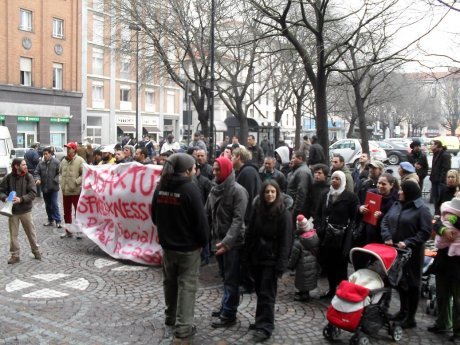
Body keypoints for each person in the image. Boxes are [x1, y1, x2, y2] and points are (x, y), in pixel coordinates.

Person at [151, 153, 209, 342]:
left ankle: (170, 317)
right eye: (193, 168)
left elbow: (154, 217)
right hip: (188, 249)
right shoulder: (190, 189)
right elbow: (201, 222)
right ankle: (183, 328)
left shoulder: (160, 187)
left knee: (170, 283)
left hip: (168, 247)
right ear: (186, 171)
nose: (195, 171)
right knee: (187, 286)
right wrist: (203, 242)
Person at [243, 180, 292, 342]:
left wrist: (281, 265)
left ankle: (265, 327)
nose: (270, 194)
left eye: (273, 192)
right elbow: (250, 233)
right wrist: (247, 255)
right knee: (259, 291)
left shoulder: (283, 213)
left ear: (277, 193)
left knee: (267, 294)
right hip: (257, 257)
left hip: (272, 260)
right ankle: (260, 321)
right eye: (267, 192)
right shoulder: (258, 209)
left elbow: (286, 241)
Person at [380, 180, 432, 329]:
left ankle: (411, 318)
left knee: (413, 285)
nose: (399, 192)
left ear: (409, 192)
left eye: (402, 190)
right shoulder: (397, 204)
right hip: (396, 252)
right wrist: (387, 236)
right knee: (401, 282)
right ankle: (403, 312)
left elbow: (425, 232)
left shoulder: (422, 209)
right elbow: (385, 221)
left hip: (412, 254)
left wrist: (408, 242)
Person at [205, 156, 248, 328]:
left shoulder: (238, 191)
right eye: (214, 169)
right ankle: (225, 306)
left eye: (218, 170)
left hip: (233, 244)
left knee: (231, 279)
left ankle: (229, 314)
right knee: (225, 277)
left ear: (226, 170)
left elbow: (238, 221)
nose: (214, 172)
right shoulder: (214, 188)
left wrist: (226, 243)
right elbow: (207, 213)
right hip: (218, 241)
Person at [317, 170, 358, 299]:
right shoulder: (326, 195)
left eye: (337, 179)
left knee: (341, 265)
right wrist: (320, 227)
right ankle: (331, 289)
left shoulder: (350, 197)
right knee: (329, 264)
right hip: (327, 236)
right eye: (333, 178)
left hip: (342, 237)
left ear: (343, 181)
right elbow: (319, 213)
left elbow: (354, 217)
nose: (334, 181)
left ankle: (342, 291)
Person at [0, 158, 41, 264]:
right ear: (16, 166)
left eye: (26, 164)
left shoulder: (29, 176)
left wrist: (21, 199)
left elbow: (33, 193)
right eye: (23, 165)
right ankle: (15, 255)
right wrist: (5, 198)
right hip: (12, 211)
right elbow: (1, 190)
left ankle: (36, 252)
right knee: (13, 235)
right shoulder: (8, 177)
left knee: (31, 233)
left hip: (25, 210)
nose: (26, 166)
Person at [430, 199, 460, 341]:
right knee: (442, 294)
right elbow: (437, 222)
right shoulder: (450, 205)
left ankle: (458, 331)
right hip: (443, 259)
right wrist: (443, 229)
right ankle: (442, 322)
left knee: (458, 299)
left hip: (458, 262)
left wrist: (454, 220)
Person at [357, 173, 399, 245]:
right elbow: (358, 205)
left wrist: (382, 216)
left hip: (383, 237)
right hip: (367, 233)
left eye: (384, 184)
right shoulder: (371, 193)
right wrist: (361, 208)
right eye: (379, 183)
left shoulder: (396, 199)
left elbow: (395, 219)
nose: (380, 186)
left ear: (391, 185)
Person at [288, 214, 319, 303]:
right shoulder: (315, 236)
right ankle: (306, 293)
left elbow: (294, 256)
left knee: (303, 280)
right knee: (309, 278)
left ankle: (303, 295)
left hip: (302, 265)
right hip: (312, 263)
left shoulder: (298, 242)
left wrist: (291, 265)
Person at [59, 142, 85, 239]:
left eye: (69, 148)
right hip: (65, 191)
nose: (67, 150)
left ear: (74, 149)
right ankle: (68, 231)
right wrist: (61, 181)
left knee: (77, 212)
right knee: (66, 212)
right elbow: (60, 172)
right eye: (66, 148)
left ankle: (79, 231)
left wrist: (76, 182)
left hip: (75, 191)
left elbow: (84, 174)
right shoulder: (63, 161)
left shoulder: (80, 160)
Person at [34, 147, 62, 228]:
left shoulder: (56, 162)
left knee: (54, 204)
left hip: (54, 187)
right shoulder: (41, 163)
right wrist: (38, 179)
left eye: (46, 154)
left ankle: (58, 221)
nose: (45, 156)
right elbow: (36, 172)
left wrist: (56, 179)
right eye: (44, 154)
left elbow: (60, 173)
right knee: (48, 205)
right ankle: (50, 220)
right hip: (45, 188)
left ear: (50, 154)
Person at [286, 151, 313, 220]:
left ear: (300, 158)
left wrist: (295, 211)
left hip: (299, 210)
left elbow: (301, 193)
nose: (291, 160)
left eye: (293, 158)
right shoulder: (298, 170)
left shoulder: (302, 172)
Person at [430, 139, 451, 215]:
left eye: (432, 144)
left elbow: (445, 169)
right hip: (434, 180)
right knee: (435, 198)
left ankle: (441, 214)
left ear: (437, 145)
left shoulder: (445, 155)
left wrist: (441, 180)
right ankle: (436, 214)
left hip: (440, 182)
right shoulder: (435, 153)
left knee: (441, 199)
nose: (430, 146)